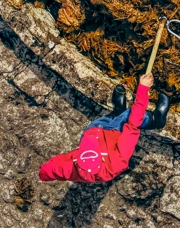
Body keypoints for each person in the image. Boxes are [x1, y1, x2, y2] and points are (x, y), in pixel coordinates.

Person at [38, 75, 171, 184]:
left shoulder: (69, 168)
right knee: (132, 116)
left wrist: (43, 174)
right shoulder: (117, 161)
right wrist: (142, 90)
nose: (91, 142)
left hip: (95, 129)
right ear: (102, 160)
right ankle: (157, 119)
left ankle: (118, 111)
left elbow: (49, 171)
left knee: (107, 120)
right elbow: (132, 125)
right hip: (116, 133)